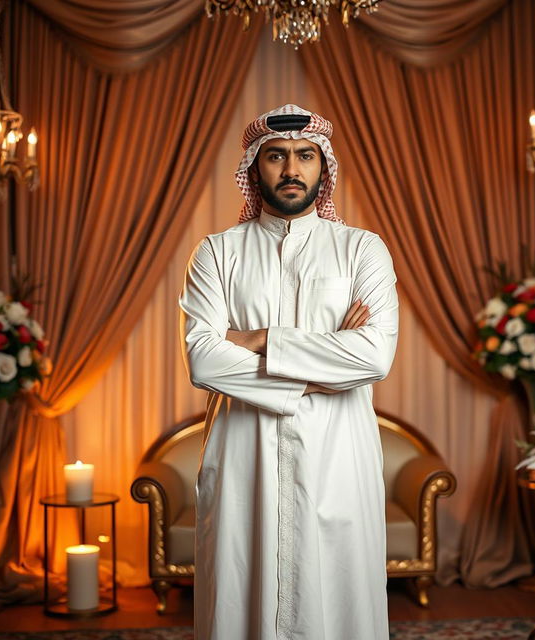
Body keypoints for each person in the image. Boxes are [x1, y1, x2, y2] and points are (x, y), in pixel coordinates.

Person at [179, 104, 399, 640]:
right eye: (276, 157)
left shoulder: (362, 250)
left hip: (337, 457)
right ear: (255, 169)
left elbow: (372, 358)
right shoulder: (216, 253)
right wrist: (327, 364)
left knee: (340, 602)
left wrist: (259, 341)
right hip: (241, 454)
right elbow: (204, 360)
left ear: (324, 168)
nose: (291, 170)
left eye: (306, 156)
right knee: (239, 598)